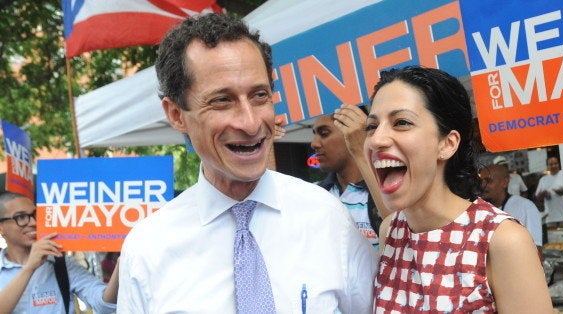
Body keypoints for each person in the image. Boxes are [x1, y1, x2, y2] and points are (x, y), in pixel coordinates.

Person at [117, 13, 377, 313]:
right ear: (176, 115)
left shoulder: (327, 216)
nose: (251, 123)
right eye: (222, 101)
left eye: (259, 96)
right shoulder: (147, 249)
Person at [367, 66, 552, 312]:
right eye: (371, 126)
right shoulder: (390, 231)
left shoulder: (502, 240)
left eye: (401, 122)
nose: (377, 139)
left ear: (447, 143)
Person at [0, 191, 118, 313]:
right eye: (21, 217)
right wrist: (29, 268)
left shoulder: (60, 263)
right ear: (1, 227)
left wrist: (121, 263)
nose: (33, 223)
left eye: (35, 215)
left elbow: (103, 303)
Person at [311, 105, 390, 248]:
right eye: (314, 134)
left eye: (324, 133)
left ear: (352, 133)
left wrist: (361, 149)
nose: (314, 143)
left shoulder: (395, 188)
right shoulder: (314, 194)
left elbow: (400, 231)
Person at [480, 164, 543, 255]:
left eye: (489, 181)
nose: (482, 185)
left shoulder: (526, 207)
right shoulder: (478, 210)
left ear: (505, 182)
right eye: (481, 181)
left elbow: (536, 252)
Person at [535, 156, 563, 228]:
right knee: (552, 238)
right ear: (547, 166)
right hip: (550, 217)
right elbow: (537, 198)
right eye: (551, 164)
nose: (553, 166)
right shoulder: (543, 180)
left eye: (555, 163)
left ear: (558, 164)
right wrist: (543, 194)